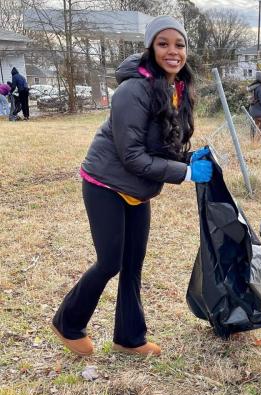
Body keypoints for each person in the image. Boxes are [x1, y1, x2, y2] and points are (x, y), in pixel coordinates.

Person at [51, 15, 213, 357]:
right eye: (163, 43)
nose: (173, 51)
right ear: (150, 48)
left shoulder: (177, 90)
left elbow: (162, 146)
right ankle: (67, 322)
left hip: (138, 190)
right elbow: (133, 157)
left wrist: (189, 158)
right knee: (110, 261)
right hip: (105, 183)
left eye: (179, 44)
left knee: (134, 263)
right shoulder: (132, 90)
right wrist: (184, 174)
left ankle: (129, 338)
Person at [247, 71, 261, 140]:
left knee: (253, 128)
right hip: (259, 112)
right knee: (260, 130)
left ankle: (252, 143)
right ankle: (257, 144)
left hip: (252, 110)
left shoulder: (253, 86)